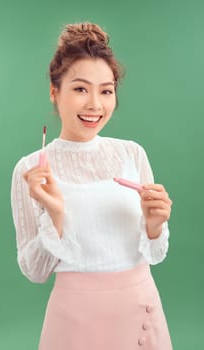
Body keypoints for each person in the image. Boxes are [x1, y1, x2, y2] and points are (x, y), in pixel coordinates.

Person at [11, 22, 173, 350]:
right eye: (81, 89)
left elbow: (154, 255)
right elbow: (35, 271)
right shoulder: (30, 170)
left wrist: (155, 226)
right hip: (74, 320)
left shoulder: (132, 153)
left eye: (106, 90)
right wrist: (55, 215)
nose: (95, 105)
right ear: (55, 92)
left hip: (139, 309)